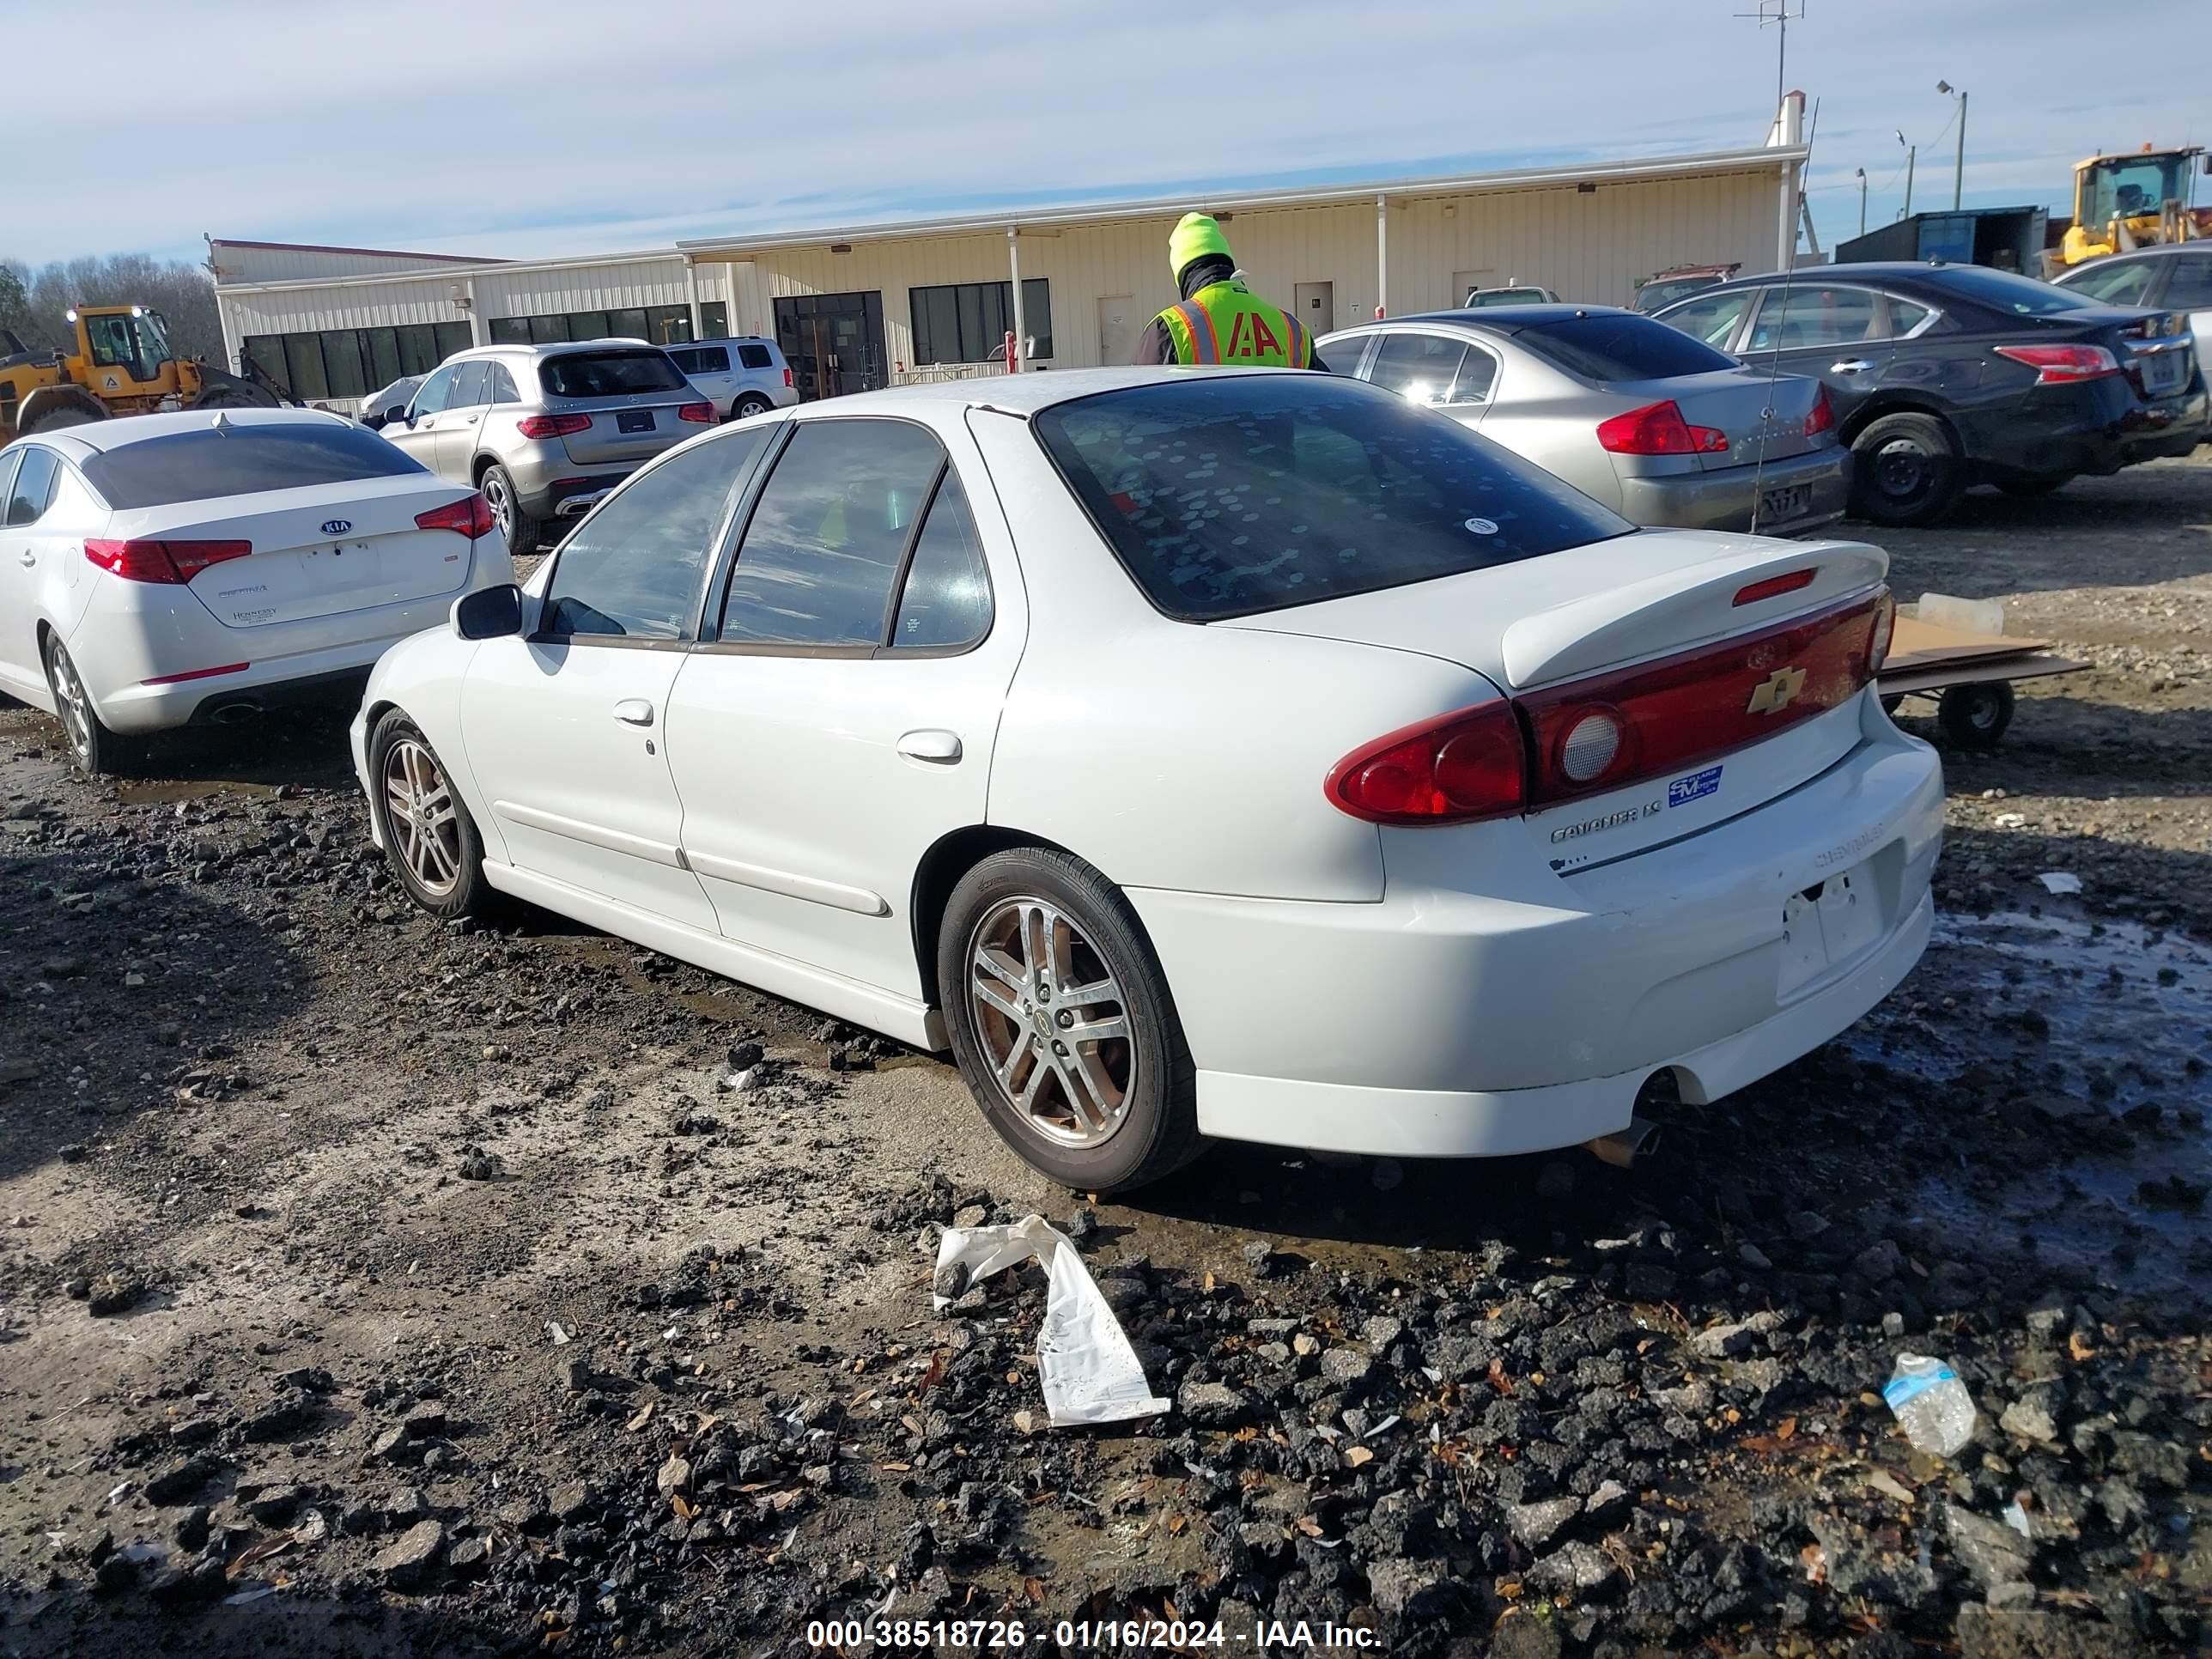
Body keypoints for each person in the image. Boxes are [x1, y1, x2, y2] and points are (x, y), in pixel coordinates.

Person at [1131, 213, 1326, 370]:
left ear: (1182, 274)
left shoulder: (1172, 328)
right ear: (1228, 261)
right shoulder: (1292, 329)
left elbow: (1139, 408)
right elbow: (1322, 399)